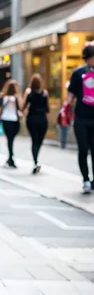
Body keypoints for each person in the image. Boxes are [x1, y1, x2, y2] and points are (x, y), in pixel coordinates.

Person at [67, 42, 94, 193]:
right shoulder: (78, 74)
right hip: (82, 117)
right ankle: (85, 179)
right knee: (83, 149)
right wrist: (65, 109)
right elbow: (71, 94)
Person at [22, 74, 50, 173]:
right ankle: (36, 160)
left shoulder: (29, 93)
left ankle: (35, 161)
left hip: (32, 119)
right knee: (39, 141)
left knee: (34, 141)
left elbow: (23, 107)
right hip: (42, 120)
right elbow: (47, 109)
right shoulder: (44, 93)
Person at [0, 79, 22, 168]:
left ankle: (10, 157)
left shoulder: (2, 96)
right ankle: (11, 158)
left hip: (6, 119)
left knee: (9, 139)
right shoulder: (16, 97)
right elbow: (21, 107)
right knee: (11, 139)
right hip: (14, 120)